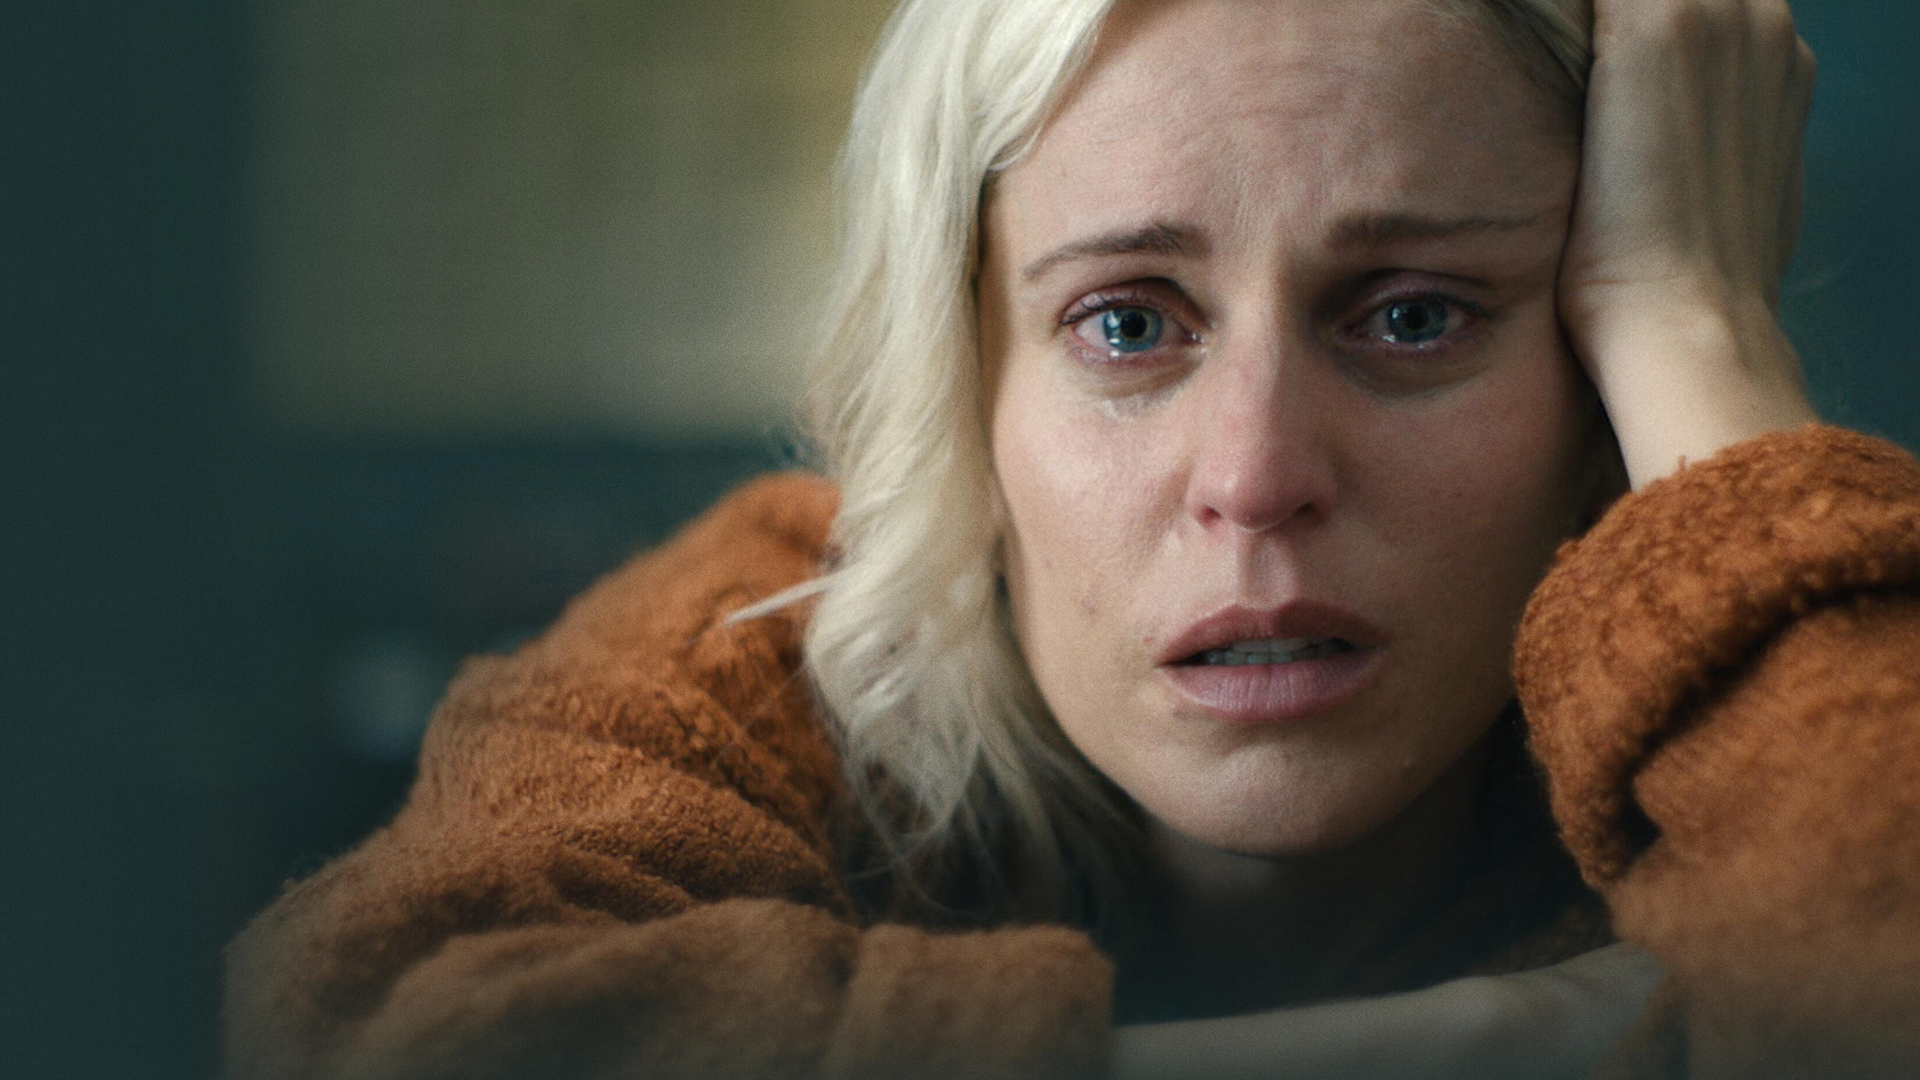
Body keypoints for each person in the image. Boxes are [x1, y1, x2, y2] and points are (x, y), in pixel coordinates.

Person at [225, 0, 1920, 1077]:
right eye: (1126, 324)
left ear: (1597, 392)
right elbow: (377, 1032)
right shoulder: (772, 637)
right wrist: (1488, 1044)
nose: (1254, 478)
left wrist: (1694, 318)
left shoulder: (1815, 684)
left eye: (1412, 315)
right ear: (964, 395)